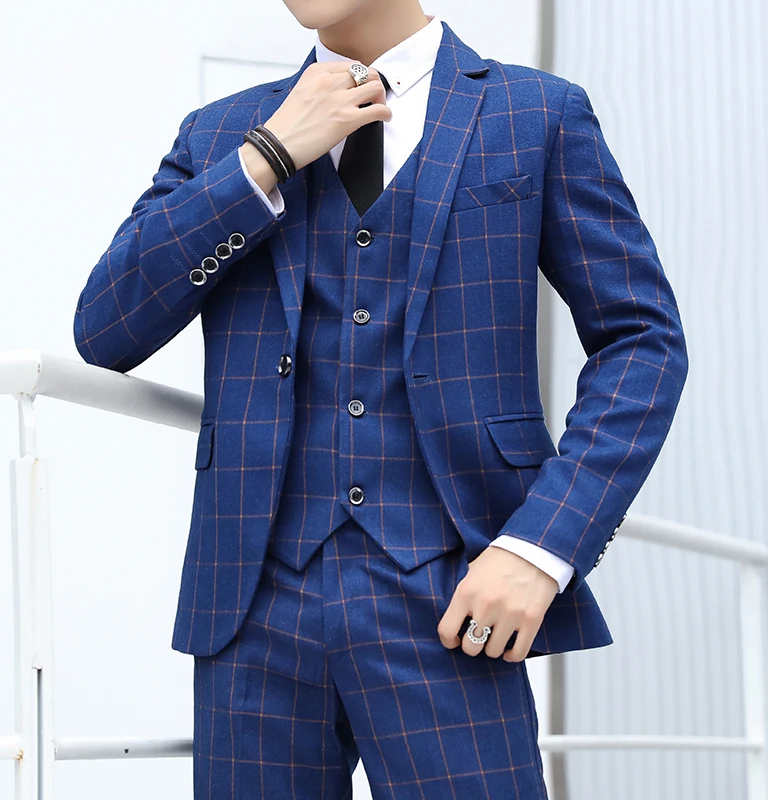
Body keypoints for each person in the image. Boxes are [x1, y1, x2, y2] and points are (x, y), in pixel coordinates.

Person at [73, 1, 688, 797]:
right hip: (253, 608)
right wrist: (265, 157)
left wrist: (541, 549)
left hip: (453, 597)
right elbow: (106, 329)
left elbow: (641, 339)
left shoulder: (536, 113)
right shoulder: (219, 133)